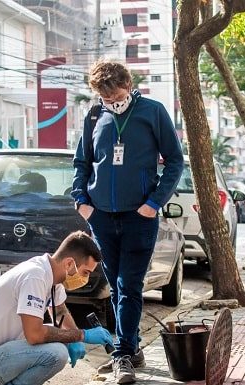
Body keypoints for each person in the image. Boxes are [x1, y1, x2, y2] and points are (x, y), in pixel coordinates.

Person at [71, 60, 183, 384]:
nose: (111, 103)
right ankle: (131, 349)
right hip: (101, 218)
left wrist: (154, 203)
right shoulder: (94, 116)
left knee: (129, 285)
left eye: (115, 96)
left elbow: (175, 161)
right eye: (105, 98)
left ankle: (122, 357)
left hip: (140, 217)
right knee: (116, 286)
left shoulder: (153, 112)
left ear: (129, 85)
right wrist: (82, 202)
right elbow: (82, 162)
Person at [0, 231, 114, 385]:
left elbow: (60, 312)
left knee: (61, 338)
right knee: (56, 353)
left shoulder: (53, 276)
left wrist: (75, 340)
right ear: (69, 263)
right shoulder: (35, 276)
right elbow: (34, 335)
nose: (85, 279)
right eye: (85, 272)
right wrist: (82, 335)